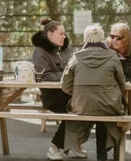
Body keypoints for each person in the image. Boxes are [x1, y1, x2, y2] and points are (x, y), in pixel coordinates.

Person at [61, 23, 126, 161]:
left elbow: (65, 85)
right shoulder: (113, 57)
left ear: (85, 39)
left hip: (82, 106)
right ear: (102, 39)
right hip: (108, 105)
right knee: (103, 113)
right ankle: (102, 155)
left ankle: (60, 149)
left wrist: (80, 93)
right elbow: (122, 84)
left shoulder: (75, 58)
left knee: (90, 109)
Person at [31, 18, 85, 160]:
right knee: (77, 108)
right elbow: (44, 76)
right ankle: (55, 146)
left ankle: (73, 142)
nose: (64, 36)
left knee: (89, 104)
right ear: (50, 34)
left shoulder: (68, 49)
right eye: (61, 33)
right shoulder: (39, 52)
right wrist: (68, 75)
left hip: (71, 92)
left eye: (64, 33)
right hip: (52, 95)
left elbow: (77, 67)